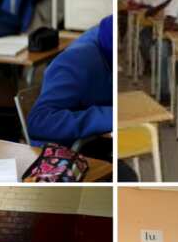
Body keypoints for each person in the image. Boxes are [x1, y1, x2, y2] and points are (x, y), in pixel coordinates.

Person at [26, 15, 113, 148]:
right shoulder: (76, 61)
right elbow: (39, 122)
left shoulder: (107, 41)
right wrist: (109, 116)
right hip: (67, 156)